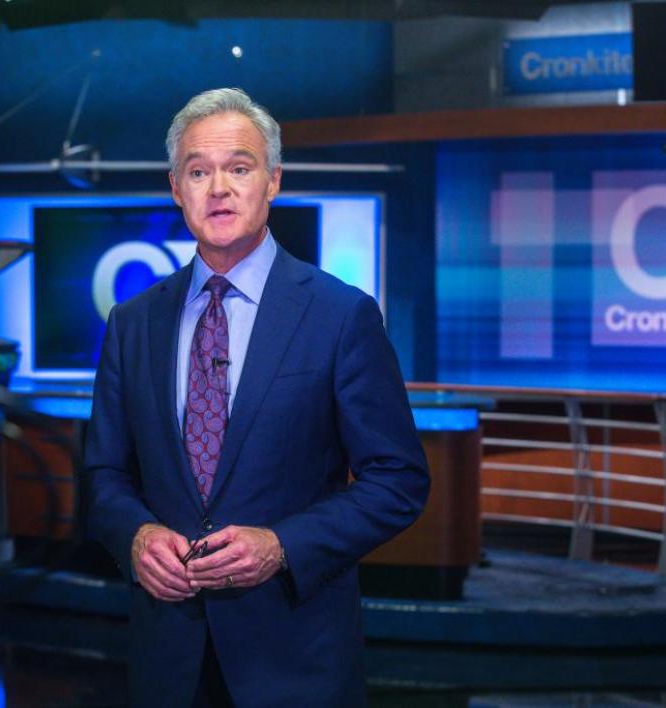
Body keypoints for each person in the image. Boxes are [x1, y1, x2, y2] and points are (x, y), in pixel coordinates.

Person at [84, 87, 429, 707]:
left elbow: (398, 480)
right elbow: (104, 474)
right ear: (175, 188)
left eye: (238, 168)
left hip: (295, 661)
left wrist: (282, 546)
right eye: (198, 171)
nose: (218, 188)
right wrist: (134, 537)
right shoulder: (132, 323)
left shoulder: (340, 314)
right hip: (168, 661)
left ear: (272, 180)